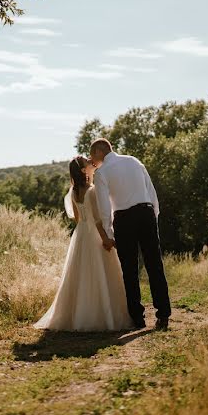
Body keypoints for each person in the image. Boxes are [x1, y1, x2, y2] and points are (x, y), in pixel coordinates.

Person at [33, 156, 134, 331]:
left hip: (80, 234)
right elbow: (97, 221)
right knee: (99, 272)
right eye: (87, 162)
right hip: (94, 234)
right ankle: (100, 316)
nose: (90, 162)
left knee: (81, 273)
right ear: (83, 170)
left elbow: (78, 218)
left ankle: (77, 316)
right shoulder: (92, 191)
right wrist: (107, 240)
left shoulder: (73, 191)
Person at [89, 138, 171, 331]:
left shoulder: (102, 172)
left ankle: (138, 318)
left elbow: (104, 206)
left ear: (100, 152)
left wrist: (109, 233)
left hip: (124, 219)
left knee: (130, 269)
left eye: (92, 155)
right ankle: (164, 314)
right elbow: (151, 191)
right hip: (146, 213)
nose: (92, 160)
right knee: (155, 265)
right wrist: (153, 216)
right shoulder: (134, 161)